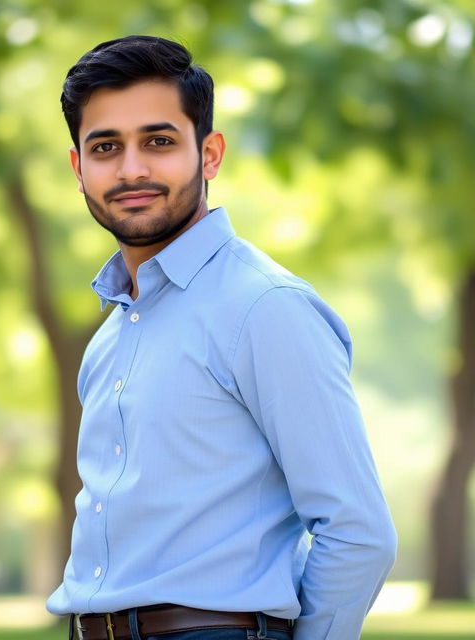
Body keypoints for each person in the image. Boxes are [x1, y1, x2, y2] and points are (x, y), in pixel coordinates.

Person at [46, 35, 397, 640]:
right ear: (79, 169)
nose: (132, 168)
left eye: (159, 142)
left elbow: (357, 530)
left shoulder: (264, 308)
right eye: (106, 147)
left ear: (209, 154)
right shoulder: (110, 334)